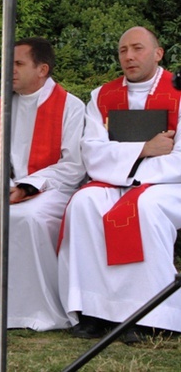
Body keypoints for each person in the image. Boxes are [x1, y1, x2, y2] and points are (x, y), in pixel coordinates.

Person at [58, 26, 181, 343]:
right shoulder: (103, 95)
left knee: (144, 206)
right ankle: (94, 311)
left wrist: (135, 170)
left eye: (137, 48)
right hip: (118, 178)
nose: (129, 56)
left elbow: (178, 155)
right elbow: (93, 150)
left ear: (158, 53)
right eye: (123, 50)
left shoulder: (178, 91)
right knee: (83, 204)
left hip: (168, 184)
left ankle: (155, 316)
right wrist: (143, 149)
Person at [0, 37, 86, 332]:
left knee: (29, 218)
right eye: (9, 63)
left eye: (18, 64)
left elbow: (73, 164)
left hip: (52, 187)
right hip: (4, 186)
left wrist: (29, 187)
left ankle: (39, 311)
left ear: (42, 69)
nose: (10, 70)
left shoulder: (70, 106)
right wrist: (2, 187)